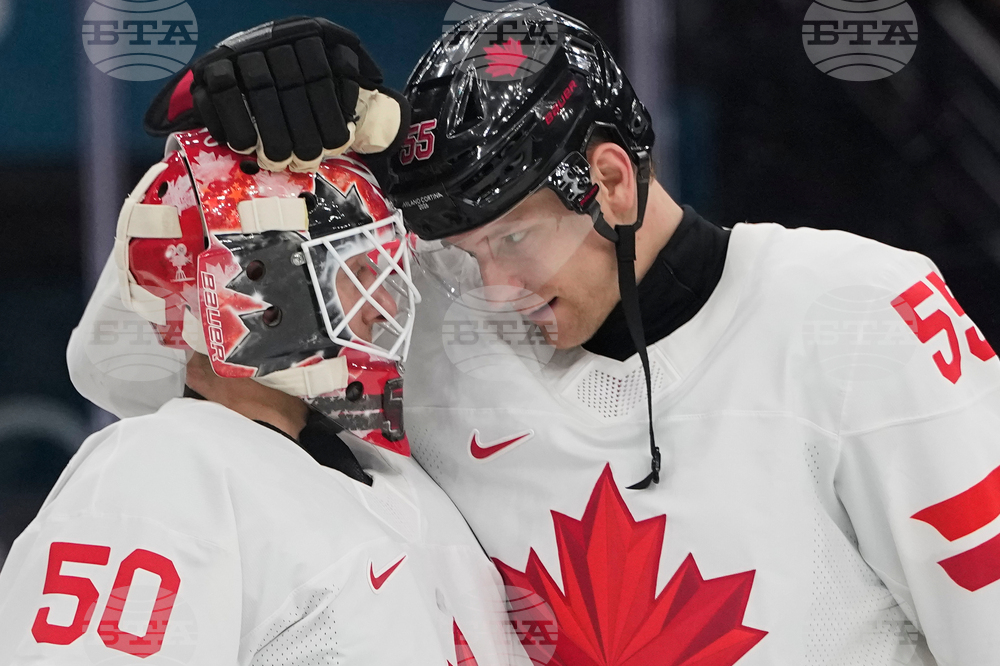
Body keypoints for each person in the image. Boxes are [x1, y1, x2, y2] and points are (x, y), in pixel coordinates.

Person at [69, 8, 1000, 665]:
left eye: (513, 238)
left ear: (613, 180)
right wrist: (250, 152)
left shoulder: (858, 315)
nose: (495, 287)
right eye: (466, 251)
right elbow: (141, 383)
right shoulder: (441, 323)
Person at [0, 131, 527, 665]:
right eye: (359, 271)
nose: (384, 305)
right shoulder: (159, 473)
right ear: (258, 286)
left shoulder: (409, 489)